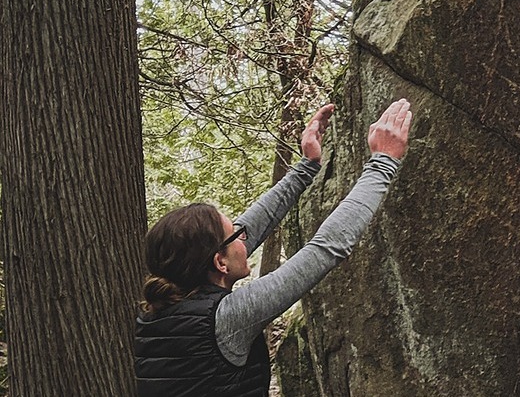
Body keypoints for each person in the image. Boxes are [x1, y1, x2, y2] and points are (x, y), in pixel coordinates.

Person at [134, 99, 414, 397]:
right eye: (236, 237)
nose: (246, 238)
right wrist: (383, 161)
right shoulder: (226, 319)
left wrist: (306, 168)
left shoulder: (156, 315)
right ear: (220, 263)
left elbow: (247, 230)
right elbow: (325, 249)